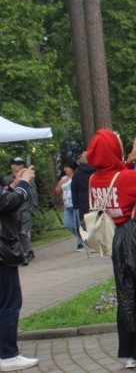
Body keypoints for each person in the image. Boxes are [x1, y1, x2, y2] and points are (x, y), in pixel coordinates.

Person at [87, 130, 136, 368]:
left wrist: (127, 163)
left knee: (126, 294)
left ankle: (129, 353)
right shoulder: (126, 179)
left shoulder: (94, 179)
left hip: (117, 239)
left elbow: (113, 179)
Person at [0, 166, 39, 371]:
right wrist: (24, 183)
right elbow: (8, 202)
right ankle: (8, 354)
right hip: (2, 253)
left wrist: (15, 183)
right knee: (9, 302)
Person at [5, 158, 37, 265]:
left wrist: (35, 206)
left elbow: (33, 192)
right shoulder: (7, 180)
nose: (20, 166)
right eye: (17, 164)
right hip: (14, 210)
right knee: (18, 233)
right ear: (12, 166)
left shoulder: (27, 177)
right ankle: (27, 250)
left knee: (25, 231)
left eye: (21, 164)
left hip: (26, 207)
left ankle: (25, 255)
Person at [55, 159, 84, 251]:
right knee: (69, 224)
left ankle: (80, 243)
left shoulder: (77, 177)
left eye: (66, 167)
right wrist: (59, 184)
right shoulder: (63, 179)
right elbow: (58, 192)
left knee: (78, 224)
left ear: (71, 168)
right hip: (67, 206)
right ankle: (84, 237)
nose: (64, 169)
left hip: (76, 204)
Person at [71, 152, 96, 227]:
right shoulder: (96, 171)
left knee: (86, 226)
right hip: (95, 200)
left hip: (82, 202)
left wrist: (76, 205)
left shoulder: (77, 172)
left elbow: (74, 189)